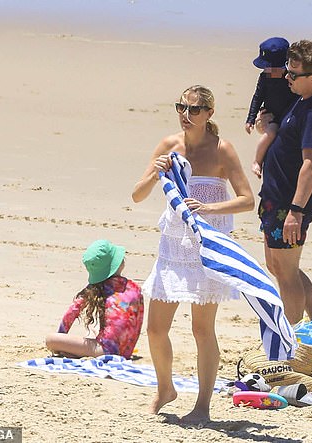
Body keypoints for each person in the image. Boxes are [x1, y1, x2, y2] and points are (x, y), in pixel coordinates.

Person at [131, 85, 254, 425]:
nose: (186, 115)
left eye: (194, 110)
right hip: (172, 249)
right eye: (181, 108)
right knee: (155, 328)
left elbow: (247, 200)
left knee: (202, 330)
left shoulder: (222, 150)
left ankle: (202, 405)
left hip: (207, 247)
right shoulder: (169, 145)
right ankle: (165, 388)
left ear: (209, 114)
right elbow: (137, 195)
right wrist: (156, 173)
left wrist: (209, 206)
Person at [257, 39, 312, 338]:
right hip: (276, 199)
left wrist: (296, 211)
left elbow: (311, 165)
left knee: (286, 272)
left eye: (293, 74)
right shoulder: (303, 98)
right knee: (278, 267)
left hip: (289, 206)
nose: (287, 78)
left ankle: (288, 340)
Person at [45, 239, 144, 359]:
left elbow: (71, 313)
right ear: (119, 264)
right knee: (94, 328)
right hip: (127, 350)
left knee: (51, 340)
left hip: (106, 350)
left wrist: (61, 340)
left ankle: (70, 352)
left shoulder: (96, 287)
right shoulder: (135, 288)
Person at [245, 37, 300, 179]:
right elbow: (257, 97)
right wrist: (250, 119)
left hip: (288, 116)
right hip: (271, 116)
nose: (269, 71)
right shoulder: (264, 77)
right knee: (270, 133)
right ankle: (257, 161)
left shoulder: (291, 79)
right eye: (266, 68)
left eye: (273, 69)